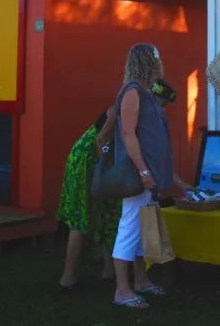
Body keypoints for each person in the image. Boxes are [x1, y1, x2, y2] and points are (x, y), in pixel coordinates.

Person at [110, 46, 192, 310]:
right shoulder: (132, 91)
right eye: (157, 60)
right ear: (148, 62)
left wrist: (172, 179)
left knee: (140, 231)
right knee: (129, 228)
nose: (161, 64)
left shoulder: (146, 92)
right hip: (138, 176)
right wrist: (144, 171)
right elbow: (128, 134)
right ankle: (122, 290)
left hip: (151, 177)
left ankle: (141, 281)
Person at [57, 106, 120, 292]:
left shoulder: (131, 105)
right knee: (81, 215)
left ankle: (109, 271)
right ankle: (68, 277)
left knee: (108, 210)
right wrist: (107, 164)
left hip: (93, 156)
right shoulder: (118, 109)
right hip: (88, 159)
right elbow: (103, 139)